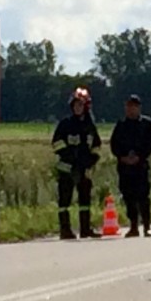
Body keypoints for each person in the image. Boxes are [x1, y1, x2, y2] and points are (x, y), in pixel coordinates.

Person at [52, 87, 102, 239]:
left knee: (85, 200)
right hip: (67, 169)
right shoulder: (65, 124)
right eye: (75, 105)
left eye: (80, 105)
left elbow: (96, 146)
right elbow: (56, 143)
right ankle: (65, 230)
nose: (77, 108)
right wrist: (69, 158)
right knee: (64, 201)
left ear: (86, 107)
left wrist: (90, 162)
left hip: (84, 169)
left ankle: (85, 229)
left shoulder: (89, 126)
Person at [110, 94, 151, 237]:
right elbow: (114, 145)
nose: (131, 110)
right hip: (125, 168)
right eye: (129, 106)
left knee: (143, 197)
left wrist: (139, 157)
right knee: (128, 197)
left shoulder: (146, 124)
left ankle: (147, 226)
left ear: (139, 108)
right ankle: (133, 226)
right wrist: (122, 157)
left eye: (134, 107)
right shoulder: (121, 125)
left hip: (140, 166)